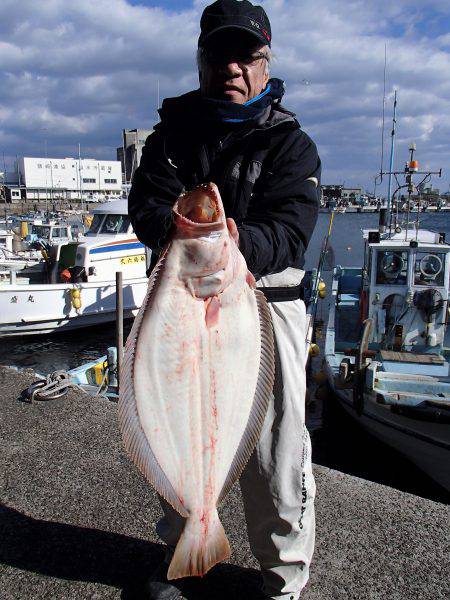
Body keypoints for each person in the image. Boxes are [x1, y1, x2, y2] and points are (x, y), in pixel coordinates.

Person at [128, 1, 321, 598]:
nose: (233, 67)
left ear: (266, 65)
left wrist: (239, 246)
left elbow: (289, 230)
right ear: (202, 62)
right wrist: (184, 232)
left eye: (247, 56)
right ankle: (184, 548)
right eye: (220, 55)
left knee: (276, 460)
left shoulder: (292, 145)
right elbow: (148, 207)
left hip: (263, 307)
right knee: (176, 431)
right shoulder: (169, 139)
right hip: (182, 303)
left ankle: (283, 579)